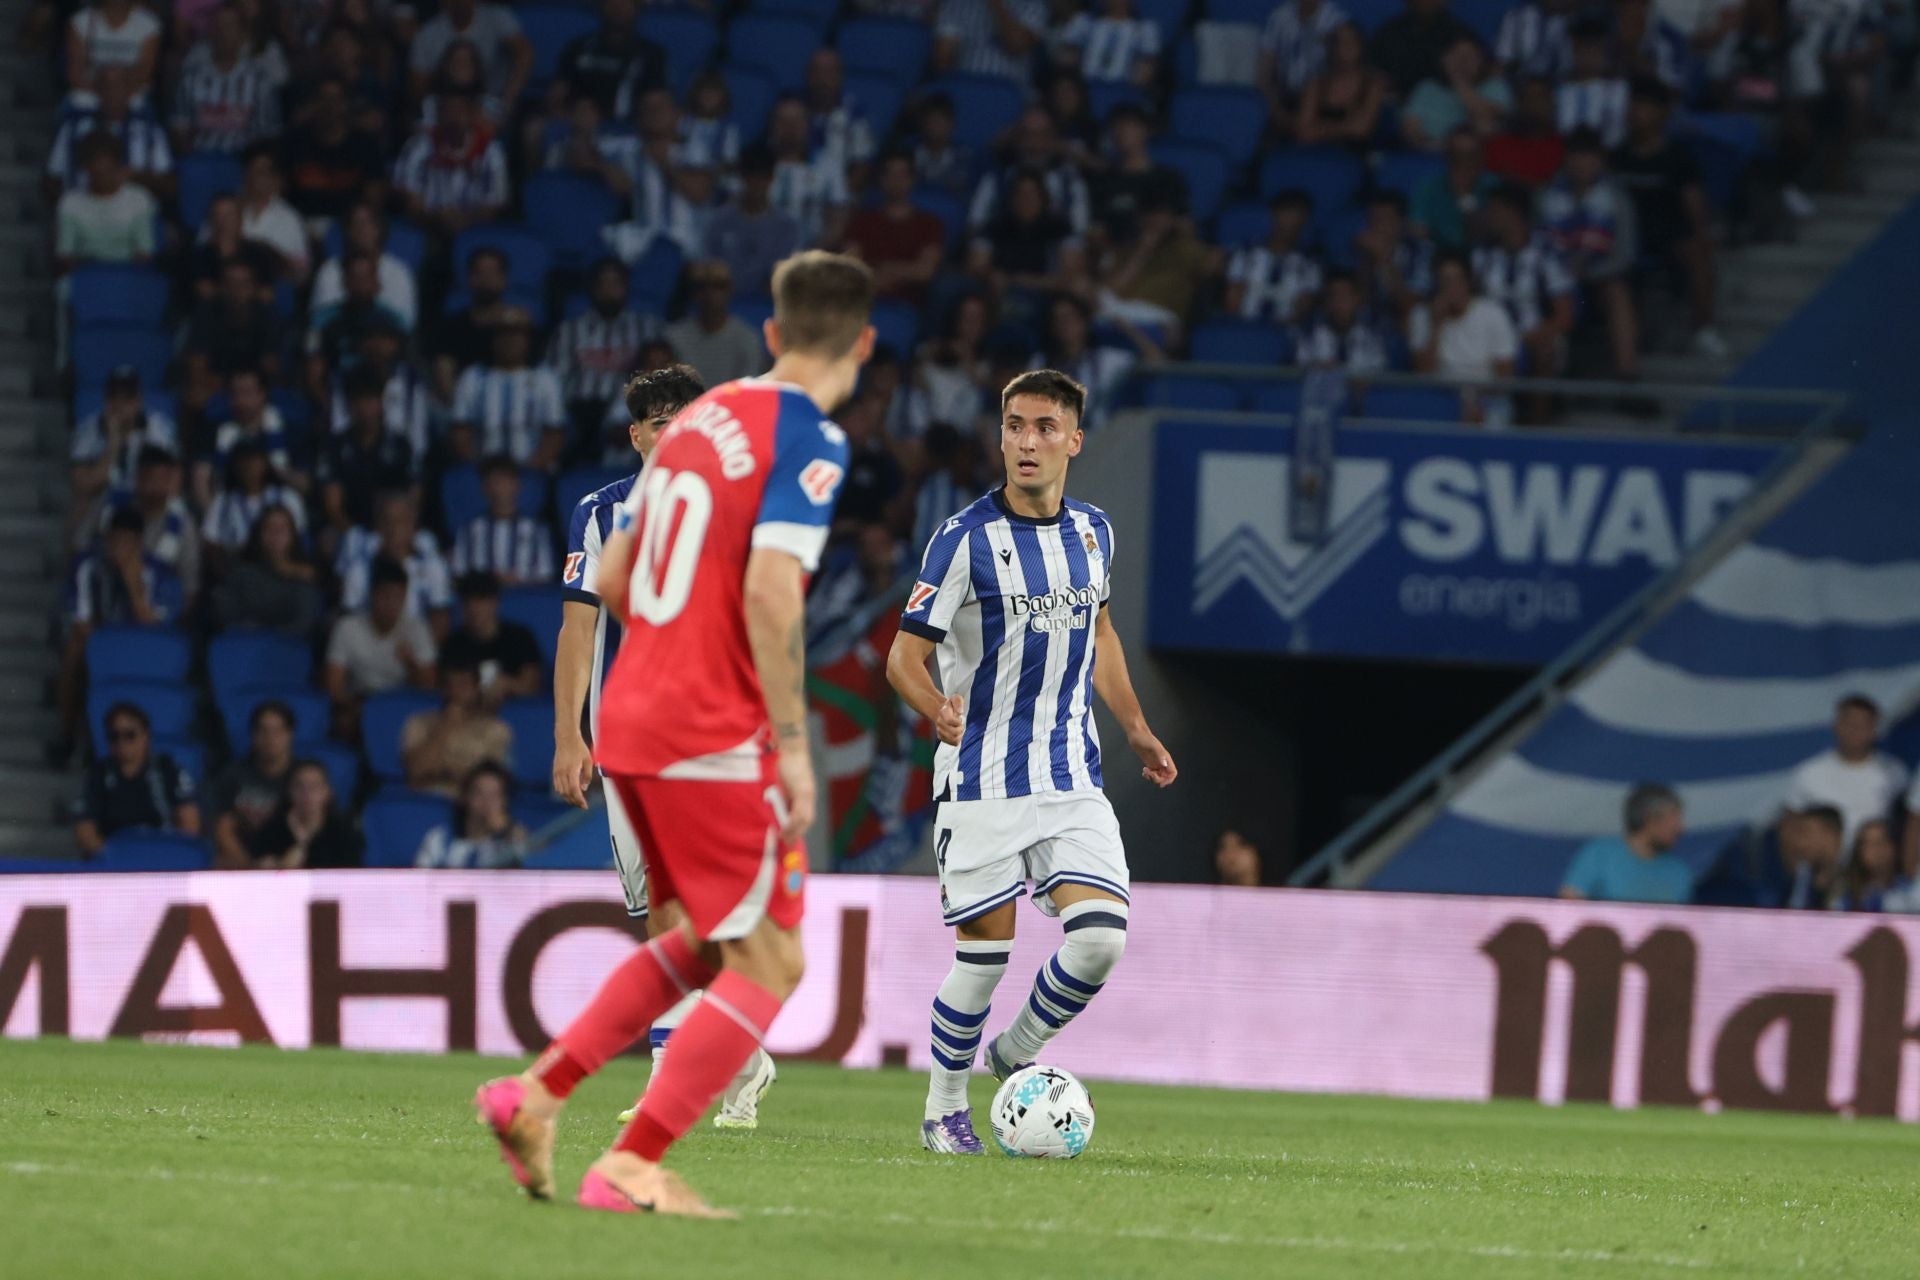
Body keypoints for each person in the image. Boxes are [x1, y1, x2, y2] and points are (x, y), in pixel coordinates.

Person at [473, 250, 868, 1217]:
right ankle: (632, 1162)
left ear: (770, 336)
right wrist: (795, 744)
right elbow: (774, 593)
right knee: (774, 959)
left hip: (630, 720)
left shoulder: (705, 421)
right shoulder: (807, 438)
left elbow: (610, 582)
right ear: (860, 347)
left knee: (696, 944)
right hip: (709, 728)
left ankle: (536, 1093)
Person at [886, 368, 1177, 1155]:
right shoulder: (964, 539)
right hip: (980, 780)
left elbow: (1103, 635)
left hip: (1069, 772)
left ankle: (1014, 1050)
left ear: (1073, 442)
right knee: (983, 959)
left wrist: (1138, 728)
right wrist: (932, 707)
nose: (1025, 441)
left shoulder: (1095, 533)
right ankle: (944, 1111)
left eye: (1045, 427)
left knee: (1101, 938)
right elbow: (903, 658)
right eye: (1015, 425)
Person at [555, 363, 783, 1129]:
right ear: (637, 434)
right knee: (661, 909)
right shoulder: (601, 513)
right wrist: (568, 734)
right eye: (658, 421)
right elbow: (578, 631)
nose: (673, 430)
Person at [1613, 76, 1726, 360]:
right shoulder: (1617, 156)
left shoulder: (1678, 158)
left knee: (1698, 254)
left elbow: (1695, 205)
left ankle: (1704, 329)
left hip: (1668, 234)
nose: (1636, 112)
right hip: (1625, 236)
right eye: (1633, 105)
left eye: (1645, 106)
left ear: (1662, 113)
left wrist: (1703, 234)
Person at [1539, 128, 1640, 380]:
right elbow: (1537, 244)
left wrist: (1584, 272)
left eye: (1589, 156)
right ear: (1566, 160)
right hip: (1554, 280)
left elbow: (1625, 255)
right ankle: (1550, 380)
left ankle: (1626, 375)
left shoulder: (1616, 198)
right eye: (1576, 156)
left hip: (1596, 282)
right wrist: (1561, 275)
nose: (1582, 163)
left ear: (1600, 160)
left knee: (1617, 292)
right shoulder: (1546, 195)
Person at [324, 556, 438, 734]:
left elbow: (429, 687)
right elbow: (333, 684)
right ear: (372, 594)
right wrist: (357, 707)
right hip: (358, 705)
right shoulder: (347, 627)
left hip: (402, 709)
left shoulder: (417, 629)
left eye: (398, 597)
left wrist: (411, 665)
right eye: (385, 596)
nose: (391, 604)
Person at [1782, 693, 1907, 851]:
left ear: (1875, 730)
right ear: (1836, 726)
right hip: (1824, 869)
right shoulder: (1809, 773)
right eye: (1849, 723)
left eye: (1863, 725)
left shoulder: (1894, 772)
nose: (1854, 731)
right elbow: (1789, 825)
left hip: (1874, 867)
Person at [73, 702, 199, 855]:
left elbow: (189, 823)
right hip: (114, 862)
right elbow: (85, 830)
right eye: (114, 736)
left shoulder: (169, 769)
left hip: (163, 858)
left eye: (129, 735)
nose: (121, 742)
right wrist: (114, 858)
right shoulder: (96, 775)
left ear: (146, 736)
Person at [451, 308, 567, 470]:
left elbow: (554, 434)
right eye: (503, 333)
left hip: (533, 472)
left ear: (528, 338)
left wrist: (530, 471)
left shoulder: (545, 379)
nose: (510, 340)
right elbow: (461, 431)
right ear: (492, 338)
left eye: (517, 334)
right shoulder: (472, 377)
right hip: (483, 474)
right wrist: (477, 471)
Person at [1409, 251, 1517, 425]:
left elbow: (1505, 376)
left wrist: (1475, 401)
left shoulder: (1494, 313)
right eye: (1444, 281)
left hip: (1487, 398)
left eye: (1455, 281)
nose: (1450, 288)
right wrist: (1436, 325)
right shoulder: (1421, 316)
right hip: (1439, 399)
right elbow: (1423, 373)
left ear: (1468, 281)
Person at [1558, 782, 1692, 904]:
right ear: (1649, 819)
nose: (1681, 828)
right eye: (1673, 819)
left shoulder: (1680, 872)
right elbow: (1568, 909)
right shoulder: (1600, 855)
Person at [842, 152, 945, 307]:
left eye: (902, 174)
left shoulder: (929, 224)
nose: (896, 181)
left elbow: (925, 271)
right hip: (866, 299)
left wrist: (888, 270)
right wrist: (878, 280)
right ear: (882, 180)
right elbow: (851, 265)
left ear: (912, 179)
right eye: (890, 174)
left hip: (911, 302)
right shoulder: (861, 221)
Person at [401, 653, 512, 798]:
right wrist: (445, 727)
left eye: (463, 684)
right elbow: (416, 772)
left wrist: (444, 773)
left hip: (473, 805)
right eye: (450, 685)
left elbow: (493, 782)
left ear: (476, 688)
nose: (456, 691)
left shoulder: (496, 729)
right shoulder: (418, 723)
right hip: (427, 800)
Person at [211, 502, 321, 637]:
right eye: (270, 527)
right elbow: (225, 617)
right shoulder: (241, 574)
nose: (276, 534)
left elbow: (303, 626)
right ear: (260, 534)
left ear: (292, 535)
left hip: (287, 651)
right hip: (245, 648)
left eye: (282, 528)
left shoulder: (303, 579)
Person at [210, 699, 296, 869]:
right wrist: (252, 867)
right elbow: (222, 829)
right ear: (253, 735)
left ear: (289, 734)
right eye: (263, 731)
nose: (270, 738)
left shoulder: (303, 777)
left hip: (293, 864)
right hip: (243, 864)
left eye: (277, 731)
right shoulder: (233, 776)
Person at [443, 570, 543, 706]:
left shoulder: (519, 638)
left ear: (495, 602)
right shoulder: (454, 644)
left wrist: (508, 685)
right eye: (468, 601)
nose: (474, 608)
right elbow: (446, 687)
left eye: (481, 600)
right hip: (468, 718)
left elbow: (532, 685)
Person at [1225, 188, 1324, 325]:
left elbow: (1303, 310)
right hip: (1245, 331)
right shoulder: (1245, 254)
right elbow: (1233, 300)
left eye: (1297, 216)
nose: (1289, 222)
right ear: (1274, 215)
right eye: (1285, 214)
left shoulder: (1310, 264)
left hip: (1285, 337)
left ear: (1304, 221)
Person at [452, 455, 553, 584]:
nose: (501, 489)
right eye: (495, 482)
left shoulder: (536, 530)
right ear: (485, 488)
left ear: (517, 485)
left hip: (524, 599)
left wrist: (518, 582)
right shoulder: (470, 530)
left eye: (506, 481)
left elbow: (545, 576)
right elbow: (459, 573)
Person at [664, 261, 767, 386]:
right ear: (693, 293)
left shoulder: (747, 338)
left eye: (718, 286)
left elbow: (749, 388)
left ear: (730, 290)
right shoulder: (674, 338)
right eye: (702, 287)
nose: (710, 294)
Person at [1401, 35, 1511, 150]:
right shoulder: (1427, 88)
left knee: (1484, 125)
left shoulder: (1494, 86)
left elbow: (1487, 116)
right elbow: (1410, 127)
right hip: (1430, 151)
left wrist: (1458, 80)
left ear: (1481, 60)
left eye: (1469, 57)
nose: (1462, 62)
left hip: (1476, 155)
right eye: (1457, 56)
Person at [252, 759, 363, 868]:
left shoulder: (344, 833)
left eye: (314, 787)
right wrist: (279, 866)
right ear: (289, 791)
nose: (307, 794)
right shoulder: (271, 831)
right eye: (299, 786)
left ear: (327, 792)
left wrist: (301, 846)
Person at [415, 762, 527, 868]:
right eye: (479, 793)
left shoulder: (511, 841)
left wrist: (506, 830)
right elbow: (419, 881)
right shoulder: (438, 839)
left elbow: (526, 868)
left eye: (494, 795)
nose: (486, 802)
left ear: (505, 801)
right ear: (465, 797)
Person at [1830, 819, 1901, 913]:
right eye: (1867, 844)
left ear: (1893, 847)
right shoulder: (1843, 891)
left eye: (1880, 842)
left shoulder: (1907, 890)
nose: (1875, 850)